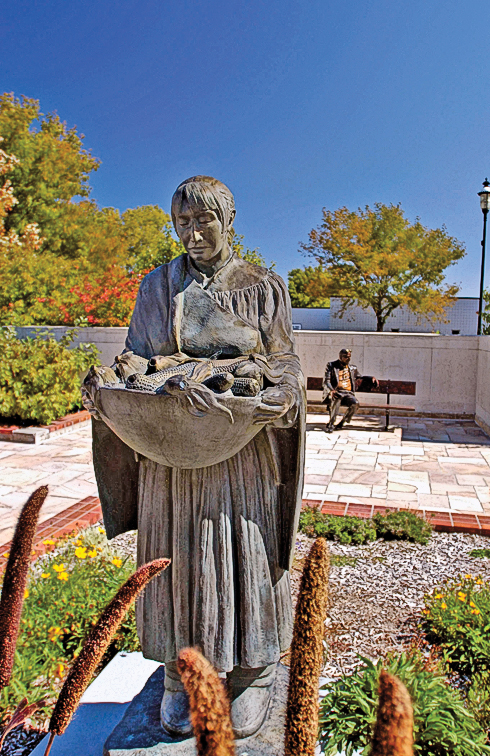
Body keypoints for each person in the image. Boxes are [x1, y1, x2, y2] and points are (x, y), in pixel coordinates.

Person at [88, 176, 306, 739]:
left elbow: (285, 366)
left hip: (237, 454)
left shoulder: (262, 287)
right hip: (169, 453)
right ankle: (179, 675)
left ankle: (252, 672)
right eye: (182, 224)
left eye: (202, 222)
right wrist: (112, 381)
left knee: (244, 556)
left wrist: (273, 394)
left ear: (228, 222)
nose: (192, 234)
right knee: (176, 560)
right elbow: (136, 359)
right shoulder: (156, 287)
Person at [322, 349, 363, 432]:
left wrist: (371, 378)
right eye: (345, 357)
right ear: (340, 357)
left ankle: (343, 421)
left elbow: (360, 378)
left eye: (349, 357)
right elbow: (326, 381)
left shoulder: (352, 368)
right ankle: (331, 423)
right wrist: (332, 390)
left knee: (355, 404)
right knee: (336, 398)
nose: (347, 359)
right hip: (336, 391)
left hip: (348, 393)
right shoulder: (331, 365)